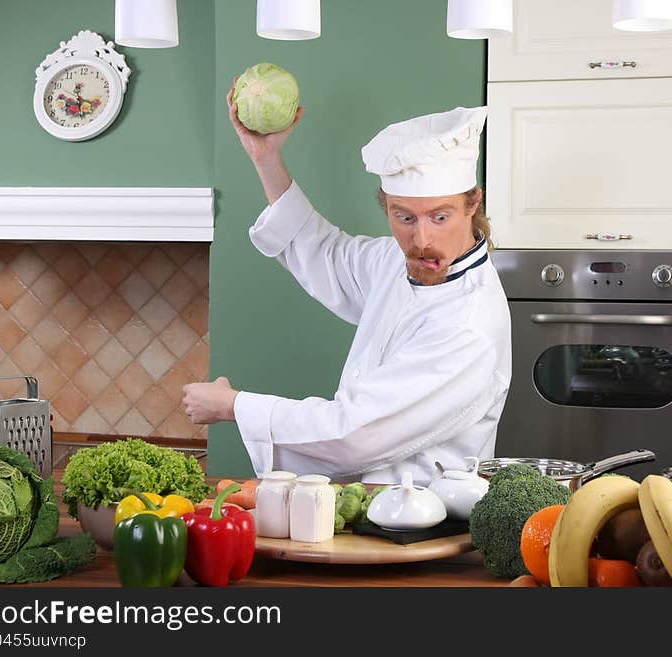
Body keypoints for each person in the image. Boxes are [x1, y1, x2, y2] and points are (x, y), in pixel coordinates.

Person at [181, 85, 511, 485]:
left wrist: (235, 406)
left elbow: (355, 436)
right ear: (386, 207)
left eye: (439, 217)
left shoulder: (469, 326)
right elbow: (327, 254)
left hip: (424, 527)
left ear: (473, 203)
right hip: (365, 515)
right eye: (404, 217)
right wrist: (266, 158)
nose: (421, 239)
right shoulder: (395, 260)